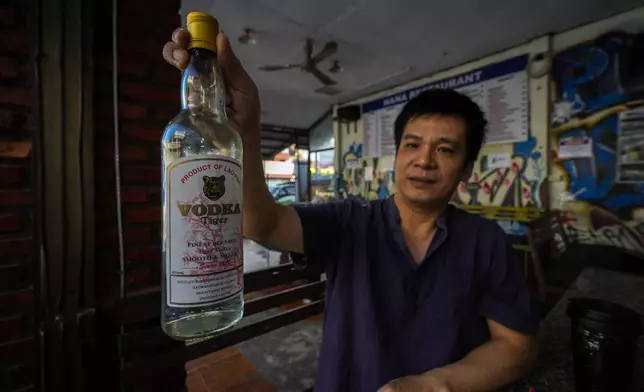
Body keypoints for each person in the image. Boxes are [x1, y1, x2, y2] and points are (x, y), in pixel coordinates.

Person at [163, 28, 538, 392]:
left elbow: (516, 347)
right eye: (412, 145)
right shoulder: (350, 221)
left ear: (468, 168)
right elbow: (262, 223)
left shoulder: (486, 242)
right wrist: (246, 132)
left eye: (445, 149)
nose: (424, 161)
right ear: (397, 155)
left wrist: (434, 385)